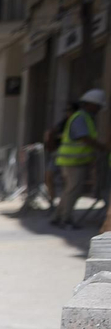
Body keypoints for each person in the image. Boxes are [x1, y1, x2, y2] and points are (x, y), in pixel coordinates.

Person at [54, 89, 110, 226]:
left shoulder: (82, 117)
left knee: (69, 190)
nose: (98, 110)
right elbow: (83, 137)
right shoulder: (81, 117)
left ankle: (59, 217)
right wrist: (102, 147)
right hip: (73, 162)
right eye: (98, 106)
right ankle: (65, 220)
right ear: (90, 104)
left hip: (73, 161)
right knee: (73, 191)